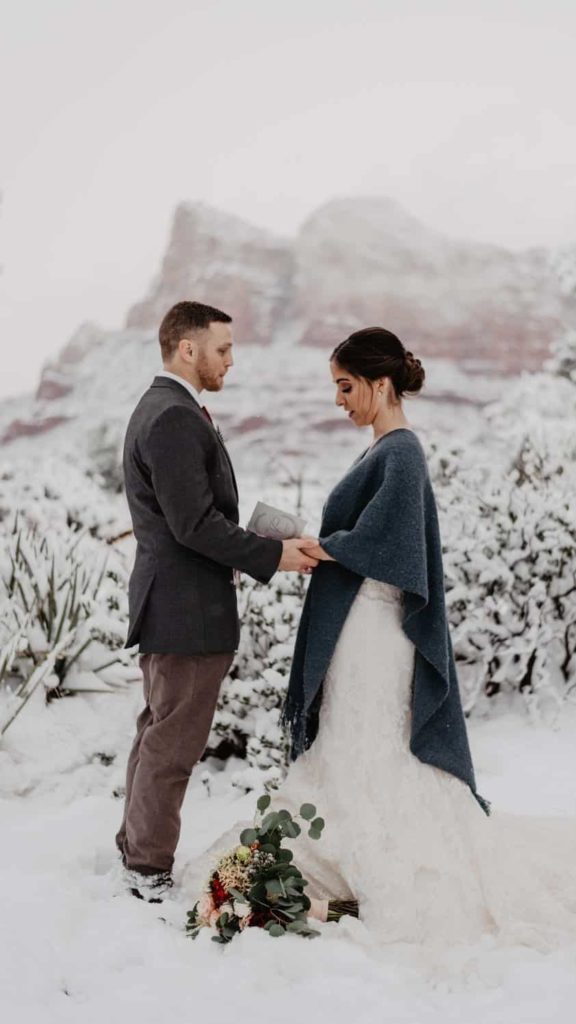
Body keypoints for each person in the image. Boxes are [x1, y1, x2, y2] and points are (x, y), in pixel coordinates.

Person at [184, 327, 576, 980]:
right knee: (347, 752)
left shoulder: (402, 453)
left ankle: (366, 861)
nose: (339, 401)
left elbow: (392, 548)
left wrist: (321, 545)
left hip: (374, 637)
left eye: (346, 386)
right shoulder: (383, 452)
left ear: (381, 385)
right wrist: (320, 544)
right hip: (357, 634)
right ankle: (314, 855)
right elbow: (374, 538)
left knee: (370, 753)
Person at [116, 300, 319, 902]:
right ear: (188, 348)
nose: (231, 359)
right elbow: (194, 525)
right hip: (186, 610)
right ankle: (148, 870)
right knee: (173, 744)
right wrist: (273, 555)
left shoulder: (164, 408)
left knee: (158, 731)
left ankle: (135, 853)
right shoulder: (174, 416)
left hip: (172, 605)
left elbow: (191, 519)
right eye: (223, 348)